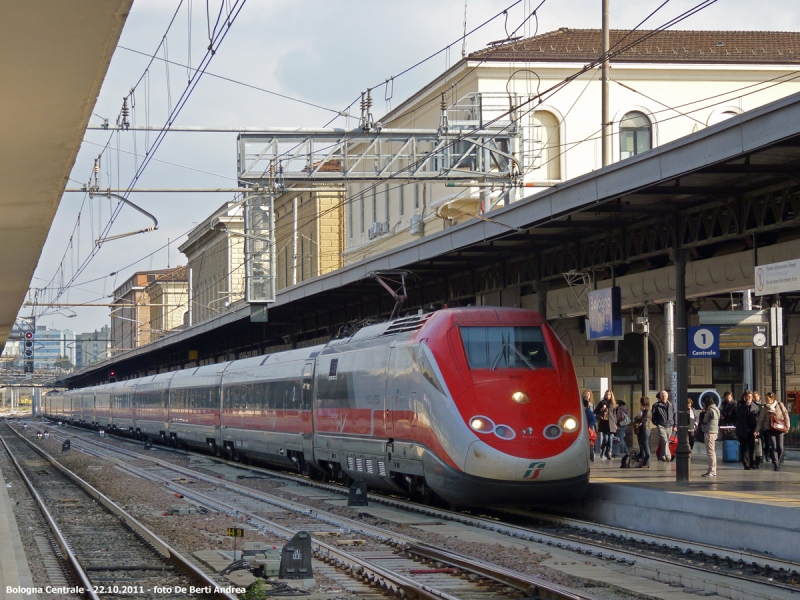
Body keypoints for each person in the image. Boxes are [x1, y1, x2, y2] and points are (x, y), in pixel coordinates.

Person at [756, 392, 790, 471]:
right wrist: (757, 430)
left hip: (780, 428)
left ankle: (777, 458)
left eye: (767, 398)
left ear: (772, 399)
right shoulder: (765, 408)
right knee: (773, 446)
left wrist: (787, 427)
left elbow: (786, 415)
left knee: (780, 447)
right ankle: (776, 464)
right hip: (770, 429)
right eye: (765, 398)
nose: (766, 400)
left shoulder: (780, 405)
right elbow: (760, 421)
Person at [736, 391, 760, 470]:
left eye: (750, 396)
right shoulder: (740, 404)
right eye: (747, 396)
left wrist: (757, 429)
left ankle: (752, 463)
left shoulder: (755, 406)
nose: (748, 398)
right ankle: (745, 463)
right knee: (744, 447)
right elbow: (740, 414)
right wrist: (746, 406)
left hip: (751, 429)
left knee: (751, 447)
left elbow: (757, 417)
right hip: (742, 429)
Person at [651, 390, 677, 462]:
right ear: (660, 397)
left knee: (666, 441)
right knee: (664, 440)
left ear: (667, 397)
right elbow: (653, 416)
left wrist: (675, 425)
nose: (664, 397)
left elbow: (675, 415)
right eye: (662, 396)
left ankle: (662, 455)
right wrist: (656, 423)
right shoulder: (656, 405)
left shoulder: (671, 405)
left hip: (670, 425)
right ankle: (668, 456)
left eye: (665, 396)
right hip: (661, 425)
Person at [594, 390, 618, 460]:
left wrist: (615, 423)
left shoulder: (613, 403)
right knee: (606, 438)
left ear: (611, 395)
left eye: (609, 394)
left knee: (610, 438)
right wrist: (602, 410)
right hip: (604, 423)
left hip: (611, 423)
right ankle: (603, 448)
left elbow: (614, 414)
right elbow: (595, 411)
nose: (608, 396)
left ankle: (609, 452)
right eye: (607, 394)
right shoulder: (602, 403)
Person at [700, 396, 720, 477]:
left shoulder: (710, 410)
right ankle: (712, 469)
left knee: (710, 452)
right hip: (714, 431)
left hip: (709, 432)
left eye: (704, 403)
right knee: (712, 451)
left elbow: (704, 420)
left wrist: (703, 413)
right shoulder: (716, 409)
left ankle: (712, 470)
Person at [633, 397, 652, 468]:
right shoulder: (642, 409)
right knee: (641, 445)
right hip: (640, 429)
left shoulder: (648, 410)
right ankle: (642, 460)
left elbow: (644, 419)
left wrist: (638, 418)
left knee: (645, 445)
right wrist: (637, 418)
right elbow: (636, 418)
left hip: (645, 429)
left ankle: (648, 462)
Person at [582, 390, 597, 463]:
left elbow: (593, 420)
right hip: (583, 427)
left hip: (588, 428)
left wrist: (589, 426)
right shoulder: (582, 410)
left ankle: (591, 454)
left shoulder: (589, 411)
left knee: (590, 441)